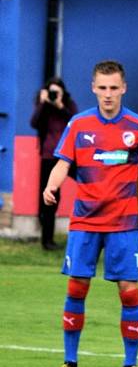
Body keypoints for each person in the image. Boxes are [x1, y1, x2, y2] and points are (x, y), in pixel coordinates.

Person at [43, 61, 138, 367]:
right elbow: (63, 162)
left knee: (129, 291)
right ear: (93, 88)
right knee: (76, 288)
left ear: (124, 88)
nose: (108, 94)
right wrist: (51, 186)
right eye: (102, 88)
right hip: (85, 222)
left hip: (125, 222)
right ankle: (70, 363)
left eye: (113, 88)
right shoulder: (78, 124)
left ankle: (130, 366)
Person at [30, 77, 78, 250]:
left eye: (57, 92)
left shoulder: (68, 105)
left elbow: (75, 122)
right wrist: (43, 103)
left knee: (87, 182)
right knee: (50, 198)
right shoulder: (44, 108)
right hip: (49, 156)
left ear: (63, 92)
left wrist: (60, 105)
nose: (53, 95)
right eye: (51, 92)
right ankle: (47, 241)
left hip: (70, 156)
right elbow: (34, 123)